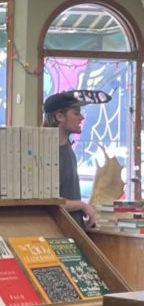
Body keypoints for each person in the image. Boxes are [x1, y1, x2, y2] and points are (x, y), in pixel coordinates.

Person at [43, 91, 97, 229]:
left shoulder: (67, 148)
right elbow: (47, 202)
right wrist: (81, 205)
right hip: (54, 231)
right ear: (60, 116)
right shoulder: (44, 152)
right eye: (76, 113)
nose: (82, 117)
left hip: (73, 228)